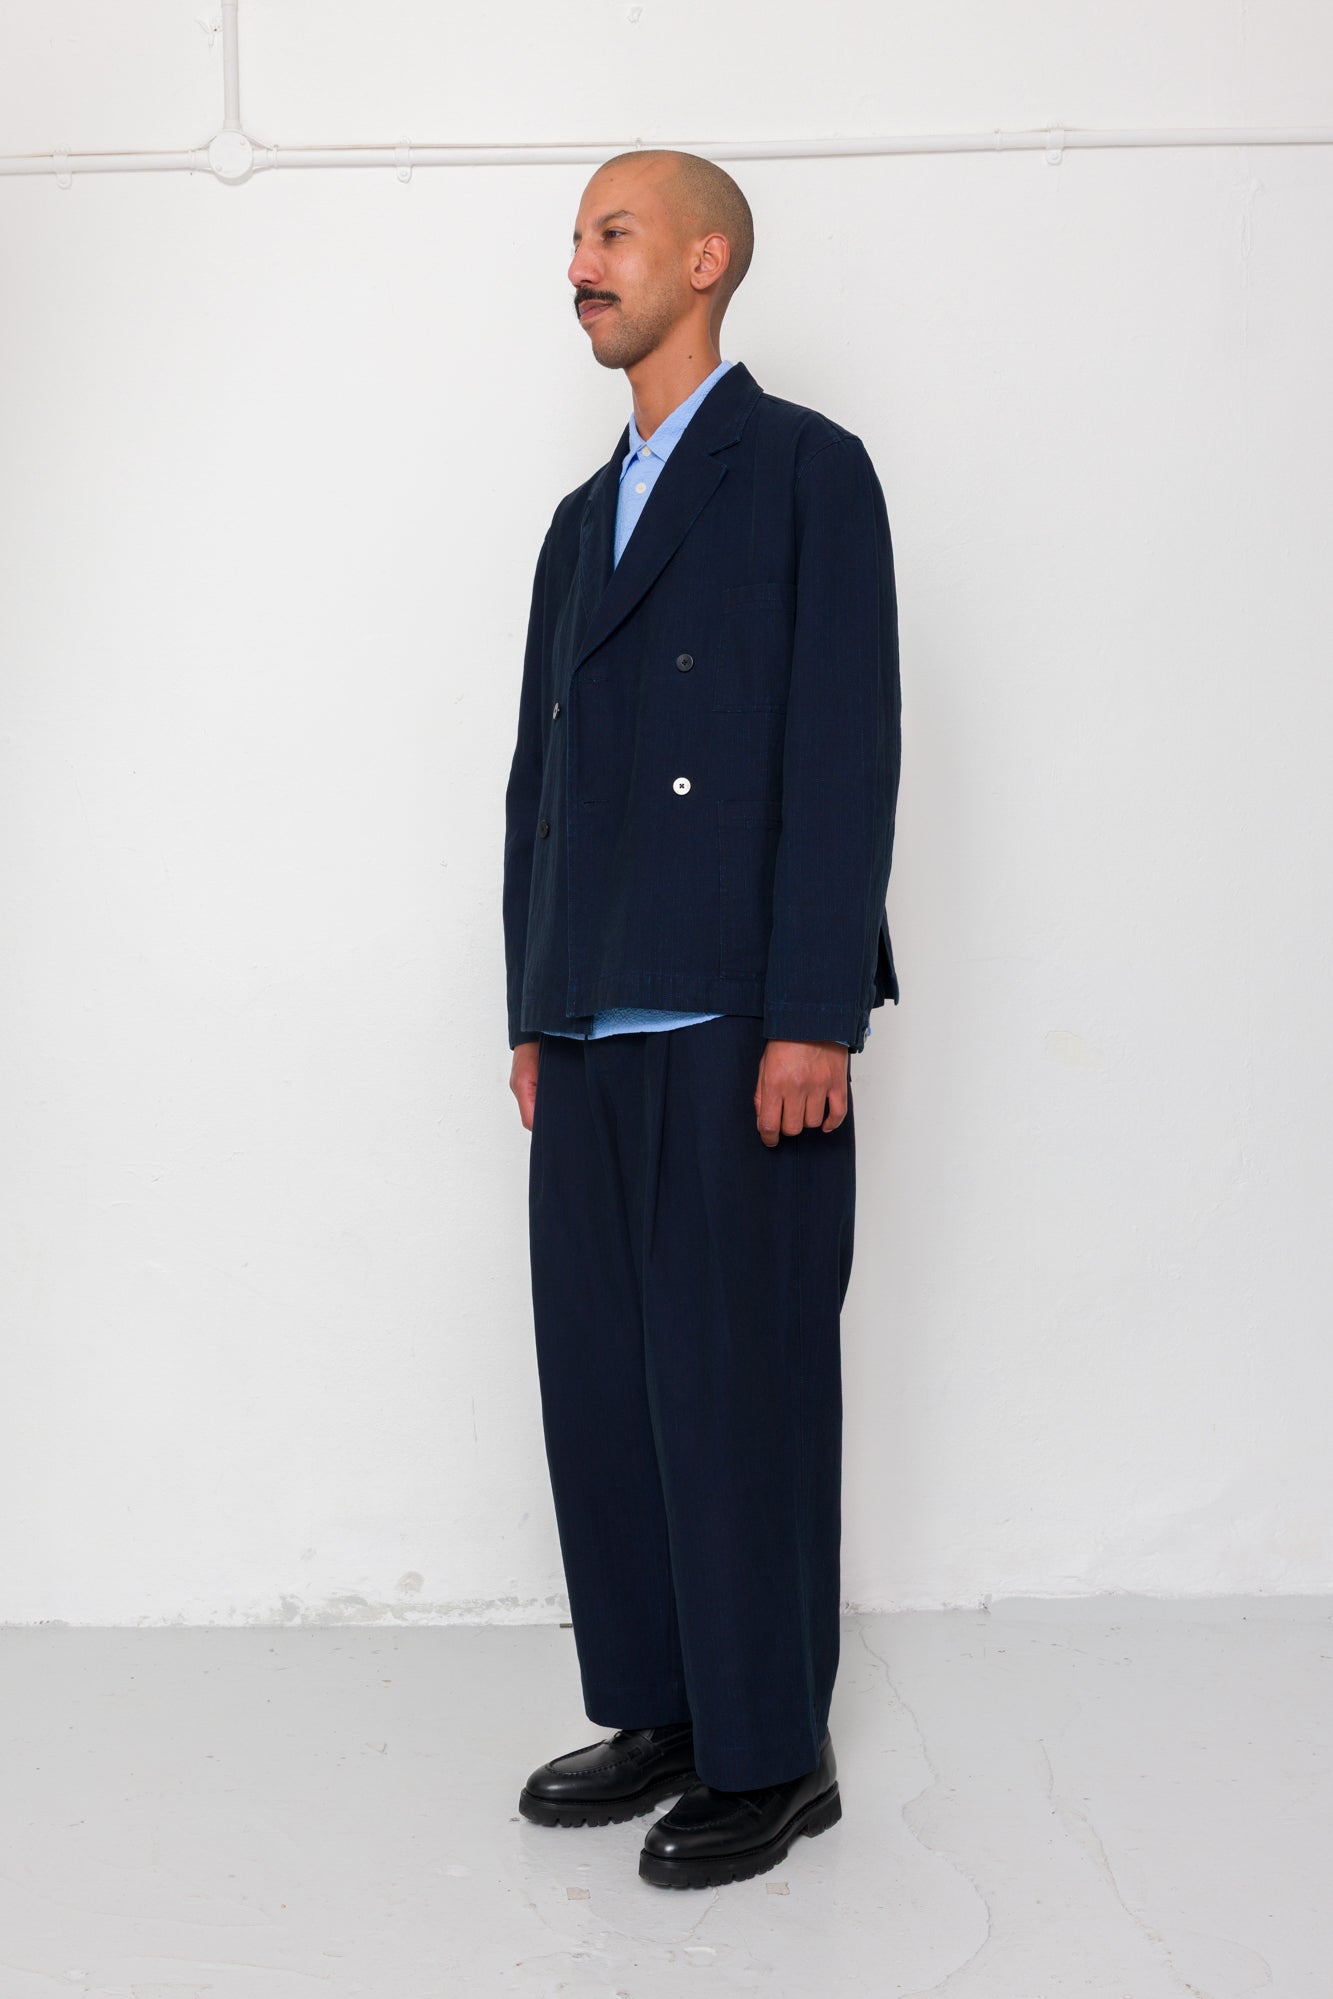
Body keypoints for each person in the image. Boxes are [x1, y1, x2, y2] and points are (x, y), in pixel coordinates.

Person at [502, 147, 901, 1891]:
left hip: (743, 1022)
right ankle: (663, 1709)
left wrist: (814, 1011)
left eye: (613, 234)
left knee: (739, 1389)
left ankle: (768, 1753)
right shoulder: (574, 521)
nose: (579, 264)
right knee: (605, 1388)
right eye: (576, 238)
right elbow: (540, 782)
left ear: (706, 259)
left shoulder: (805, 471)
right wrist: (533, 1004)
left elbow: (844, 747)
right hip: (591, 1025)